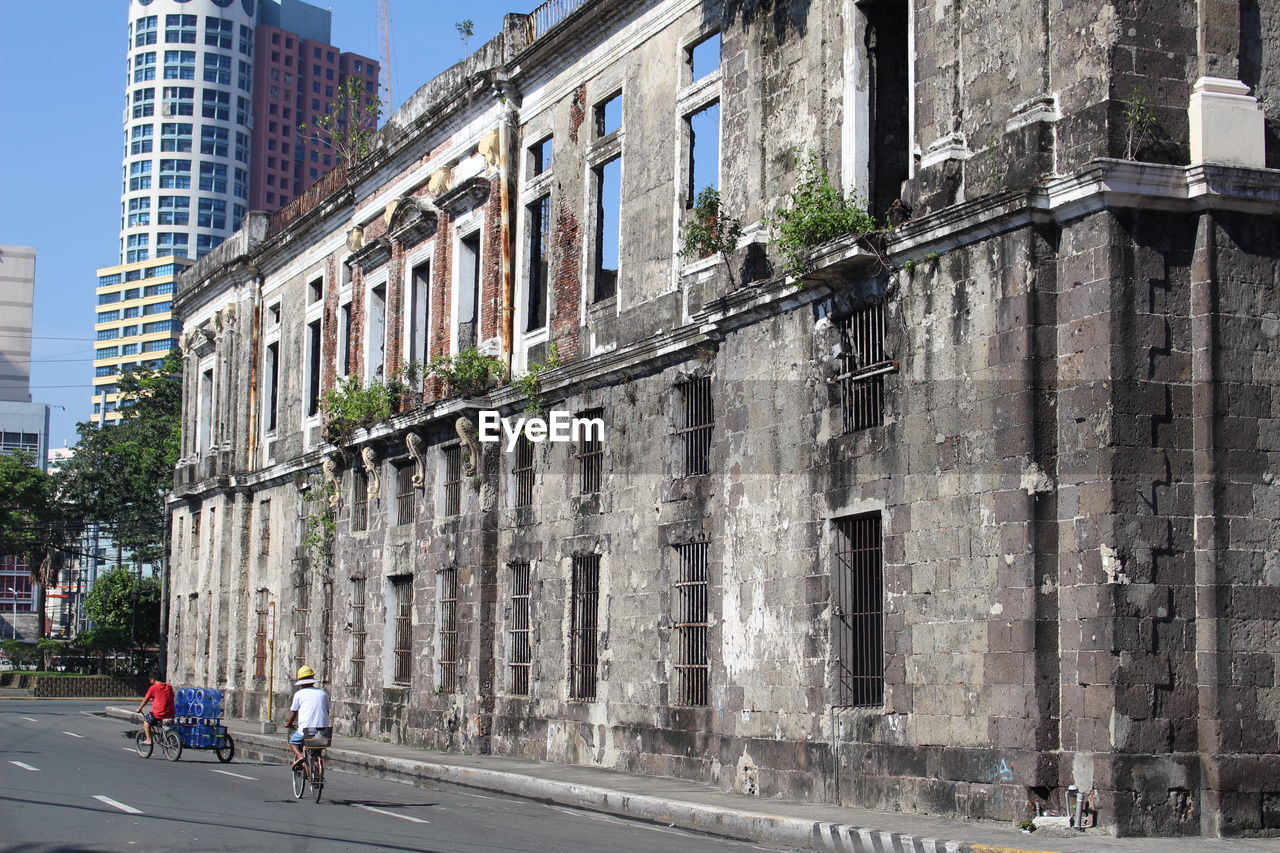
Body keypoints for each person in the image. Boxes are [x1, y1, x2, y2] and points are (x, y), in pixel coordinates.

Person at [284, 665, 330, 768]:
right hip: (323, 730)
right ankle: (318, 773)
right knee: (316, 752)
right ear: (312, 680)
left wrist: (288, 723)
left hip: (306, 730)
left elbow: (293, 713)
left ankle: (300, 757)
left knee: (293, 742)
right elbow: (327, 711)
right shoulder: (323, 693)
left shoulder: (299, 694)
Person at [134, 670, 175, 746]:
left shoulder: (153, 688)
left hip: (159, 714)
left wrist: (139, 708)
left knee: (147, 720)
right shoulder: (169, 687)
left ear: (152, 679)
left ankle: (148, 739)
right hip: (170, 713)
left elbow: (145, 700)